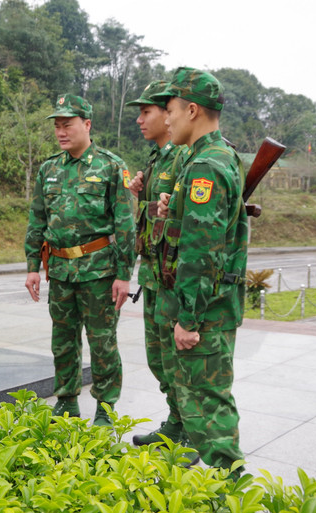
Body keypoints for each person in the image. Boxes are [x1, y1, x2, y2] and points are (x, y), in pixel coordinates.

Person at [149, 67, 248, 473]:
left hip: (204, 312)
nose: (166, 117)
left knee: (209, 409)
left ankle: (236, 488)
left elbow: (201, 252)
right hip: (206, 305)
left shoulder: (207, 165)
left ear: (192, 110)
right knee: (197, 403)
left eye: (169, 109)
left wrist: (188, 318)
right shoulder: (208, 157)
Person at [24, 94, 136, 427]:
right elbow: (37, 220)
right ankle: (67, 400)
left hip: (99, 271)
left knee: (102, 341)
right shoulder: (49, 169)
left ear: (87, 124)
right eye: (57, 126)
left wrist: (124, 274)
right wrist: (32, 266)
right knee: (63, 340)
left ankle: (106, 406)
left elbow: (125, 224)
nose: (61, 132)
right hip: (59, 271)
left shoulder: (111, 166)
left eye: (67, 124)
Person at [124, 81, 192, 451]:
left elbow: (187, 218)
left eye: (146, 112)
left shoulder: (184, 157)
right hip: (153, 276)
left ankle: (190, 433)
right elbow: (157, 220)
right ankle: (175, 423)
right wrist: (142, 190)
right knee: (160, 360)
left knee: (180, 363)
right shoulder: (158, 158)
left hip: (175, 280)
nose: (139, 120)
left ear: (168, 116)